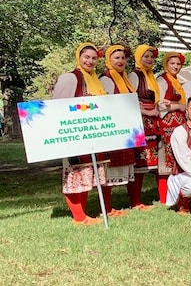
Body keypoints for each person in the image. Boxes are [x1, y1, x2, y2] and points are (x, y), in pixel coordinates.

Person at [52, 43, 109, 225]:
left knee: (88, 173)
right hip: (75, 133)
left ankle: (83, 214)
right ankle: (79, 216)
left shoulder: (95, 81)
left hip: (93, 134)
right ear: (79, 57)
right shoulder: (70, 78)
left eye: (94, 58)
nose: (90, 61)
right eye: (87, 57)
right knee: (75, 173)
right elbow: (58, 105)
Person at [98, 45, 141, 214]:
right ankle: (107, 208)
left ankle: (129, 202)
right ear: (109, 60)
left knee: (125, 164)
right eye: (116, 58)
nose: (121, 61)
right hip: (113, 128)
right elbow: (107, 104)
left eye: (123, 58)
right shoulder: (106, 79)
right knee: (108, 168)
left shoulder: (124, 78)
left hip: (125, 126)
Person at [128, 45, 161, 205]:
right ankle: (135, 200)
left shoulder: (150, 76)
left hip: (151, 122)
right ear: (138, 57)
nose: (149, 59)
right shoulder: (135, 75)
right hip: (141, 121)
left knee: (150, 160)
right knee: (139, 161)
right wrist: (147, 112)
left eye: (151, 57)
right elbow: (130, 99)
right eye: (145, 56)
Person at [155, 52, 187, 204]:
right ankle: (163, 197)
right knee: (166, 160)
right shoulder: (162, 80)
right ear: (166, 64)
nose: (175, 66)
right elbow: (160, 104)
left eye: (178, 64)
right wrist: (179, 106)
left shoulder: (176, 81)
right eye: (172, 63)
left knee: (178, 157)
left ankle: (177, 194)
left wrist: (176, 106)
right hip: (167, 123)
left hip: (177, 122)